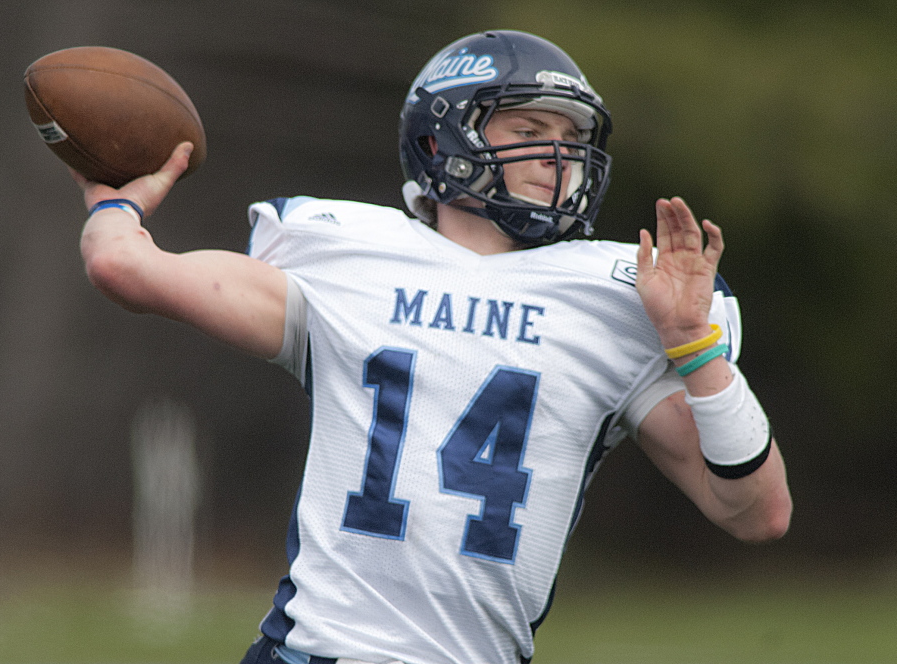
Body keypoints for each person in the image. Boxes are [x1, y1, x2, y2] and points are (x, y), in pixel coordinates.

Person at [74, 30, 791, 664]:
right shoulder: (347, 260)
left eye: (571, 137)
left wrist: (697, 349)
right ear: (440, 140)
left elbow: (756, 511)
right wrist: (118, 196)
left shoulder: (609, 301)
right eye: (529, 127)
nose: (559, 157)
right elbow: (124, 267)